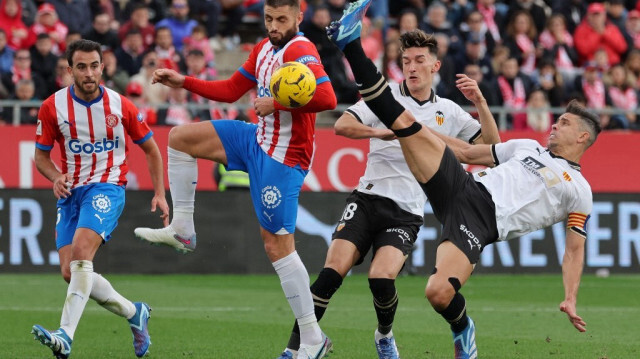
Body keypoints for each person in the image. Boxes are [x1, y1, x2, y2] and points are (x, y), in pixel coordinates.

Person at [326, 1, 598, 358]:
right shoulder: (527, 146)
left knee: (438, 292)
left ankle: (463, 327)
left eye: (564, 123)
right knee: (400, 119)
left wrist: (570, 297)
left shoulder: (580, 191)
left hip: (482, 221)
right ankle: (350, 44)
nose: (554, 124)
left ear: (582, 138)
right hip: (463, 187)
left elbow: (574, 249)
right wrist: (419, 132)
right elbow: (470, 154)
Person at [277, 29, 501, 359]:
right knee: (329, 275)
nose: (411, 67)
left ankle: (384, 335)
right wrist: (381, 131)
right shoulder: (385, 99)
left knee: (381, 280)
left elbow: (490, 147)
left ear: (434, 66)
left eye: (419, 60)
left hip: (406, 211)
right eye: (406, 60)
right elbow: (342, 125)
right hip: (366, 198)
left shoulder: (450, 112)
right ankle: (294, 348)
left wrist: (480, 102)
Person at [133, 0, 337, 358]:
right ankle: (183, 228)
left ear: (298, 17)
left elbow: (327, 96)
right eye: (269, 18)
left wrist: (276, 103)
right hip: (256, 139)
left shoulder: (301, 49)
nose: (273, 25)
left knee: (276, 245)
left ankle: (313, 338)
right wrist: (184, 81)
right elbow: (230, 90)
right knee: (179, 138)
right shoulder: (262, 48)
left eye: (281, 19)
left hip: (284, 156)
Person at [30, 39, 169, 359]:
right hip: (71, 193)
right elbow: (41, 157)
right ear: (70, 70)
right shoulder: (53, 106)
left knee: (81, 252)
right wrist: (56, 177)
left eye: (94, 66)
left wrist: (160, 193)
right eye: (81, 67)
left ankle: (65, 335)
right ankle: (134, 313)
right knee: (71, 271)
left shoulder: (122, 106)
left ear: (103, 67)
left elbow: (151, 149)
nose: (89, 73)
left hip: (107, 188)